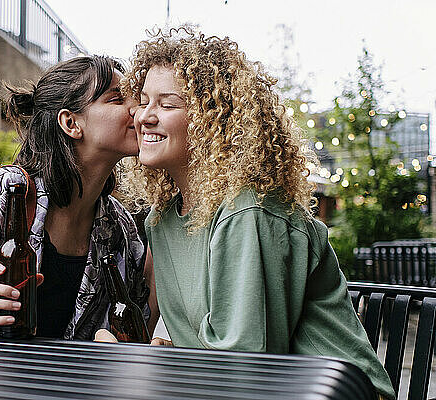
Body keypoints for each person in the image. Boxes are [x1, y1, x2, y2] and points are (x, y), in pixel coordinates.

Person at [117, 27, 395, 399]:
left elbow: (245, 367)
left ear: (213, 120)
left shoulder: (247, 211)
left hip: (330, 392)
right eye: (143, 100)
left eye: (167, 104)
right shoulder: (162, 219)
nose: (145, 117)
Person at [0, 55, 151, 340]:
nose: (139, 111)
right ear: (71, 123)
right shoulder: (10, 190)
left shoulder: (119, 225)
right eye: (117, 99)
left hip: (69, 383)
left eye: (136, 98)